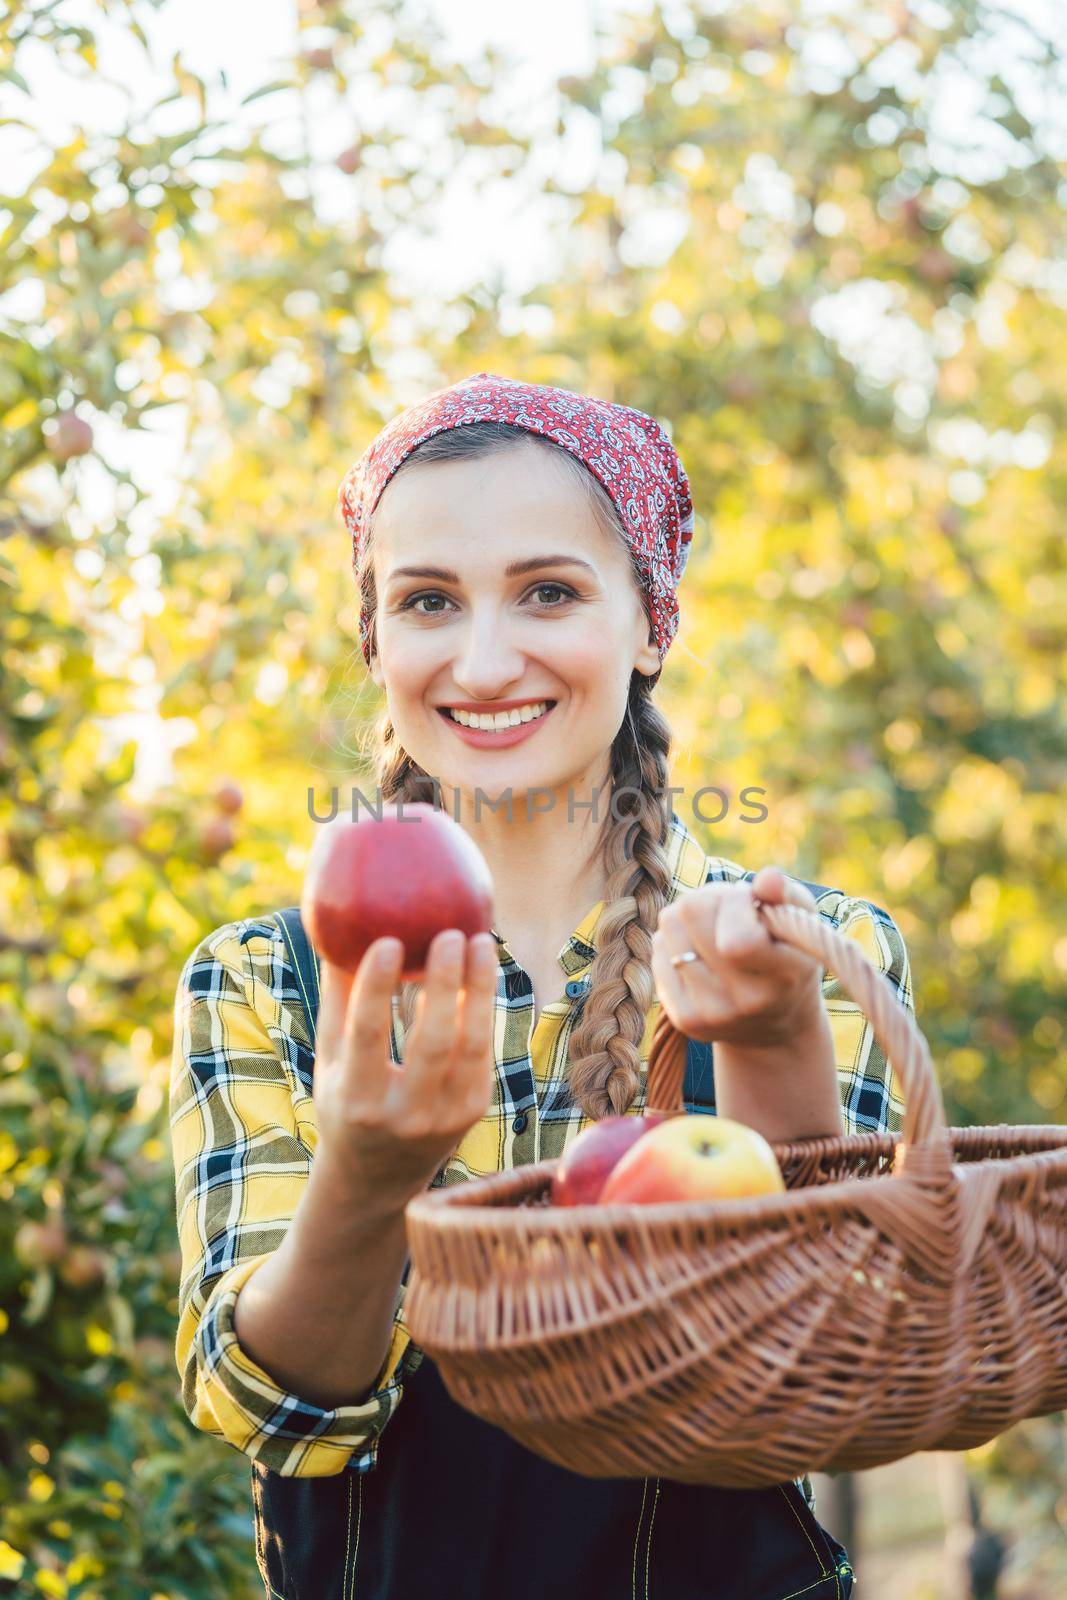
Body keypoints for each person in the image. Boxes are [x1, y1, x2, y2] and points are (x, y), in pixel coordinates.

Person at [169, 373, 914, 1599]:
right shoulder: (268, 980)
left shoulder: (809, 950)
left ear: (650, 620)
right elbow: (285, 1417)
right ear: (378, 638)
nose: (482, 657)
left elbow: (843, 1381)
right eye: (426, 600)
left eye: (548, 591)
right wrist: (362, 1180)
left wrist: (778, 1044)